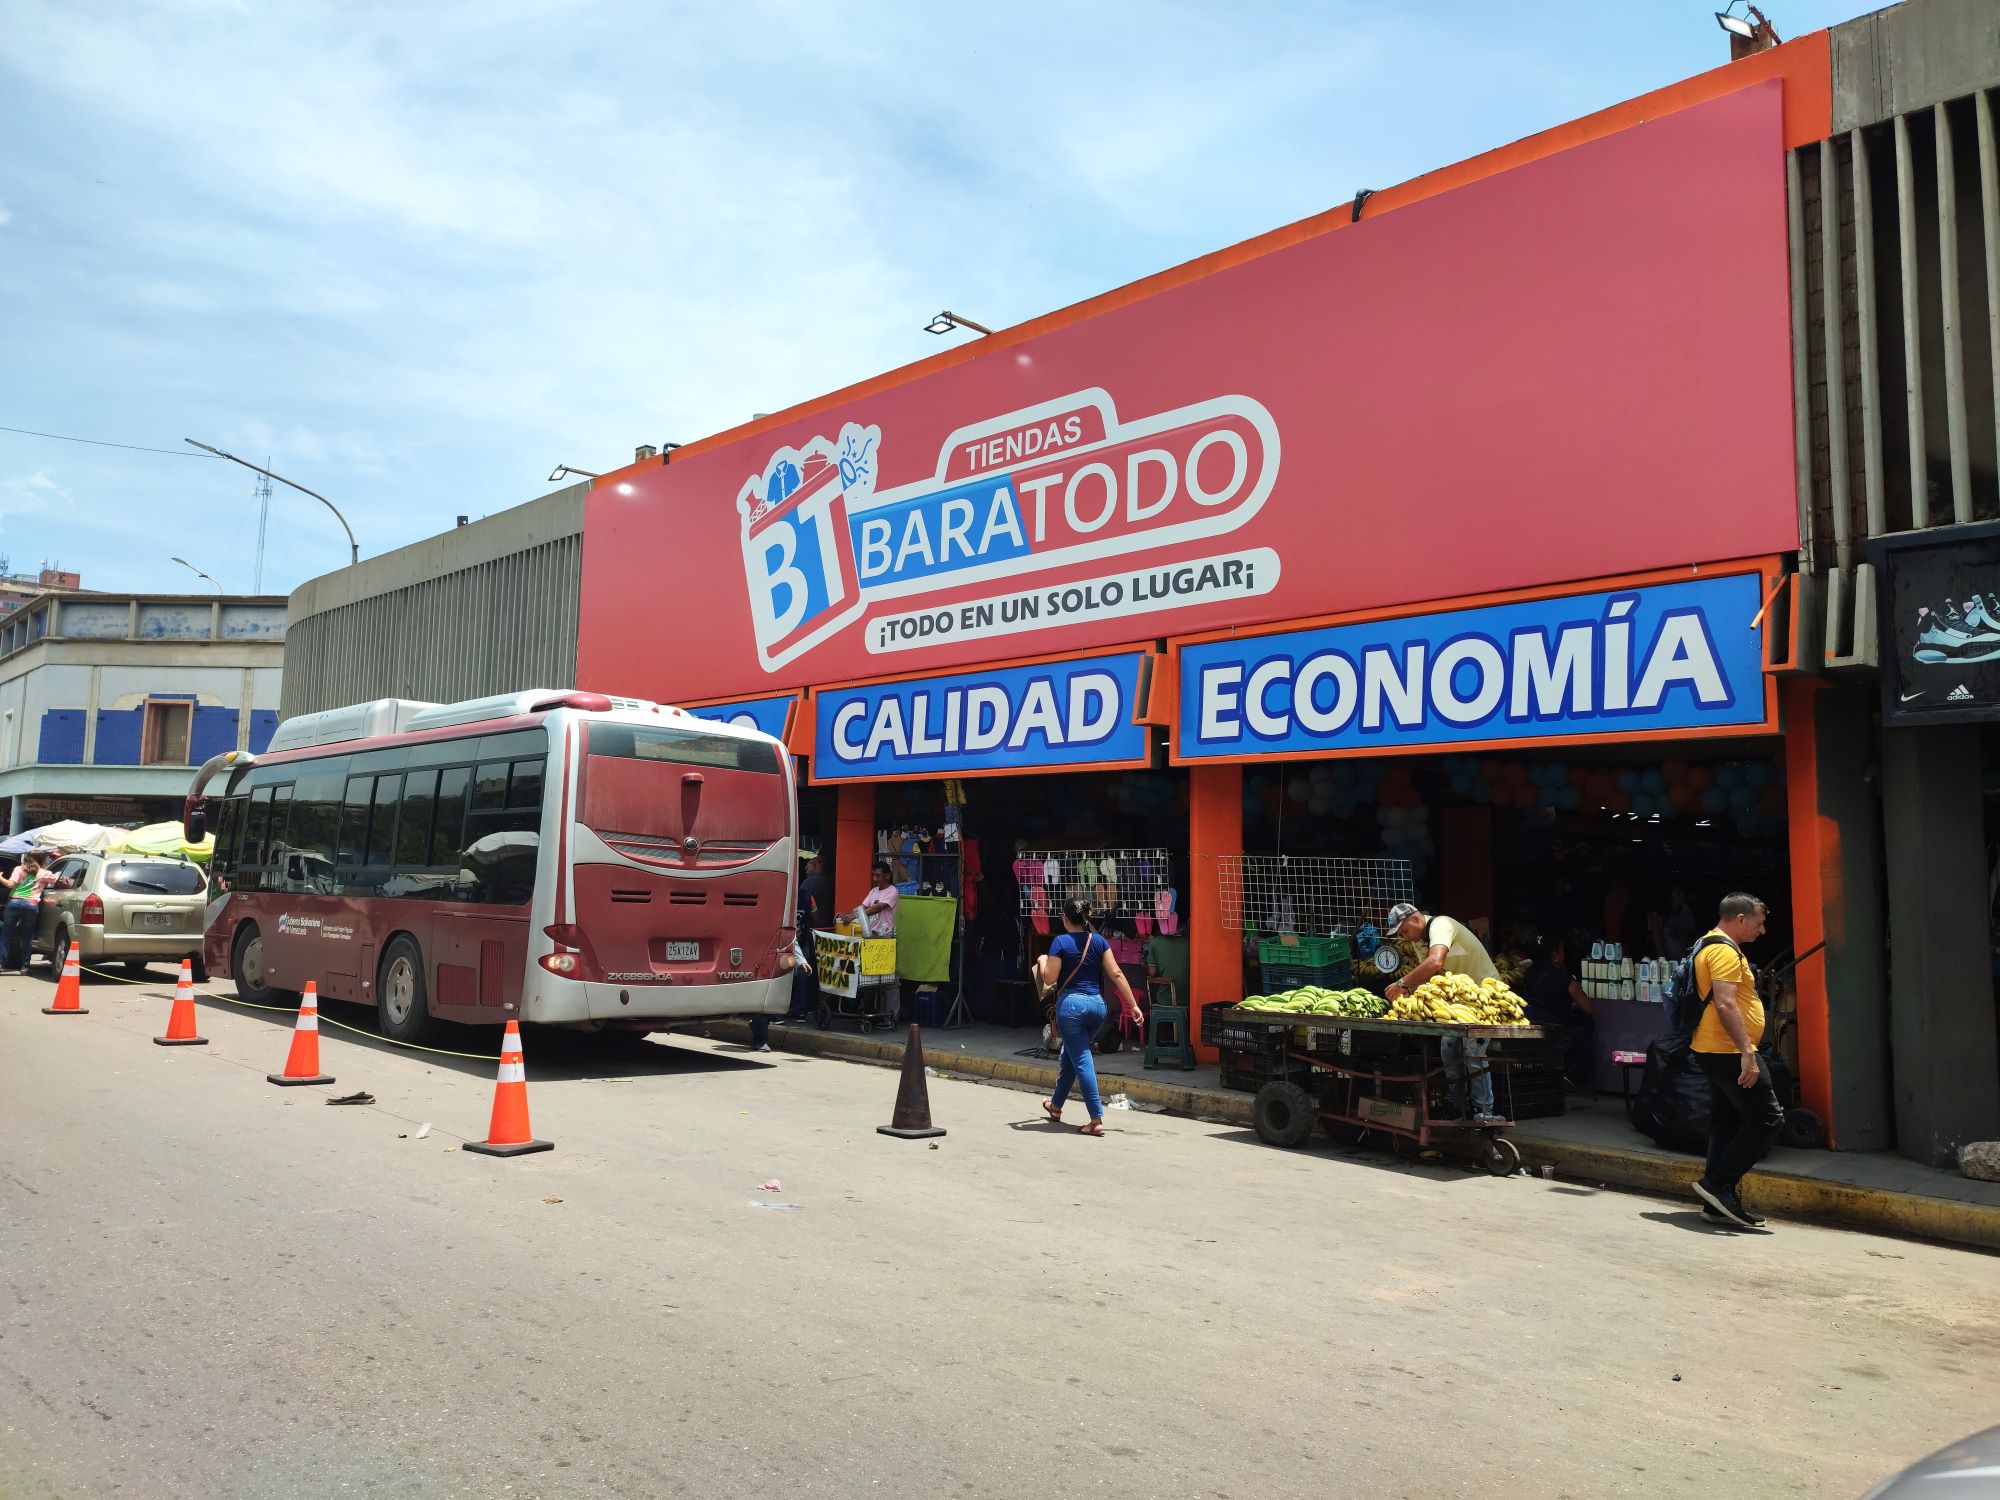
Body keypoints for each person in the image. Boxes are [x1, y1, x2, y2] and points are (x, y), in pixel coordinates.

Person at [1688, 892, 1783, 1229]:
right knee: (1768, 1117)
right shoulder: (1723, 951)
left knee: (1727, 1121)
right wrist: (1747, 1052)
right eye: (1759, 922)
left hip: (1714, 1047)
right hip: (1727, 1050)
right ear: (1740, 919)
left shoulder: (1710, 944)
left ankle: (1716, 1205)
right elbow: (1726, 1004)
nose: (1763, 930)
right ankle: (1718, 1183)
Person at [1382, 901, 1503, 1124]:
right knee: (1448, 1048)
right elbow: (1428, 976)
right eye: (1401, 934)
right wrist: (1407, 993)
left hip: (1485, 994)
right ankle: (1456, 1106)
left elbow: (1435, 962)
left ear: (1416, 919)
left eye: (1405, 931)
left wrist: (1402, 982)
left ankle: (1484, 1110)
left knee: (1472, 1051)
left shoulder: (1442, 925)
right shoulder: (1420, 942)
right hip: (1459, 1001)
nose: (1405, 937)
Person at [1034, 900, 1143, 1136]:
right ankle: (1055, 1106)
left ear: (1064, 918)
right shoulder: (1099, 941)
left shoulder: (1060, 942)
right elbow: (1115, 973)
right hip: (1097, 1007)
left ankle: (1096, 1118)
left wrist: (1042, 960)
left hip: (1071, 1008)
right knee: (1071, 1057)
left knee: (1081, 1059)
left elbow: (1049, 978)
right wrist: (1133, 1005)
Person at [1522, 935, 1595, 1086]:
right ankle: (1570, 1071)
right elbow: (1588, 1008)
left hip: (1534, 1026)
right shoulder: (1566, 980)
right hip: (1557, 1029)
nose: (1564, 955)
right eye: (1562, 951)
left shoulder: (1528, 974)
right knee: (1588, 1024)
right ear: (1555, 955)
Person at [2, 854, 72, 973]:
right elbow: (63, 882)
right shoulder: (45, 873)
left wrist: (0, 877)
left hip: (14, 902)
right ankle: (25, 967)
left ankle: (1, 964)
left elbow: (10, 884)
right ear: (42, 861)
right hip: (31, 904)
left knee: (6, 935)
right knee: (27, 937)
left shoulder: (18, 869)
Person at [749, 937, 812, 1052]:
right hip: (757, 960)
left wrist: (802, 962)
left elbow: (791, 939)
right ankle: (760, 1038)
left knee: (765, 1004)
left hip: (778, 962)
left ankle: (760, 1038)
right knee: (761, 1001)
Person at [859, 860, 899, 938]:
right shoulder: (873, 891)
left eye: (878, 875)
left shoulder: (893, 891)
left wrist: (852, 916)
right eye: (873, 875)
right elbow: (862, 908)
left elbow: (877, 908)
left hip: (886, 935)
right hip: (871, 933)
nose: (874, 879)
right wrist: (847, 914)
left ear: (887, 876)